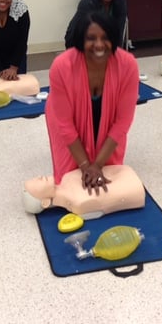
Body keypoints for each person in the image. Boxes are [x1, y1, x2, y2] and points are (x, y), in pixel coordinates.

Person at [45, 11, 139, 193]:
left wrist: (97, 164)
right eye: (91, 38)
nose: (98, 44)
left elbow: (122, 123)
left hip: (110, 119)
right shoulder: (62, 66)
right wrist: (85, 164)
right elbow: (64, 124)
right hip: (64, 119)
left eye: (105, 38)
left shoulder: (128, 65)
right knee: (71, 184)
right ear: (81, 40)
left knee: (108, 182)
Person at [22, 165, 145, 220]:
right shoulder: (78, 204)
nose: (38, 177)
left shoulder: (66, 178)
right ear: (45, 203)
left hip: (123, 174)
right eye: (35, 183)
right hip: (133, 187)